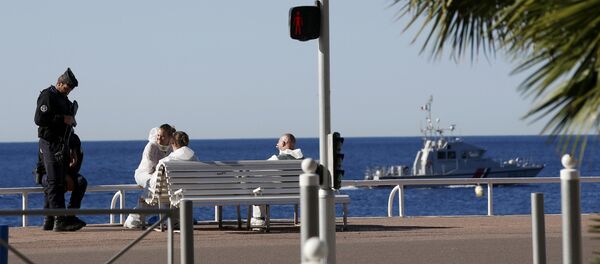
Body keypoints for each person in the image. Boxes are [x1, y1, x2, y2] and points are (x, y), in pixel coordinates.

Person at [34, 68, 86, 231]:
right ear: (59, 83)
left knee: (65, 181)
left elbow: (68, 129)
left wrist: (74, 146)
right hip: (49, 142)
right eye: (67, 87)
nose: (68, 90)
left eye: (70, 88)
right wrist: (63, 118)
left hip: (61, 144)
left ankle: (54, 219)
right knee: (55, 181)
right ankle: (59, 219)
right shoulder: (48, 96)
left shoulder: (64, 100)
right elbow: (39, 119)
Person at [124, 124, 176, 228]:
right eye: (158, 136)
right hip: (144, 174)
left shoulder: (171, 148)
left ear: (170, 138)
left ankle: (166, 217)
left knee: (164, 187)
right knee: (156, 184)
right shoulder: (152, 146)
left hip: (159, 176)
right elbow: (150, 168)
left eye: (163, 136)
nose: (159, 139)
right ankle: (135, 217)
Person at [35, 133, 88, 230]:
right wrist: (64, 176)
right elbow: (48, 166)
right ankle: (49, 218)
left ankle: (70, 216)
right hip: (47, 174)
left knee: (81, 182)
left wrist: (69, 173)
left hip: (66, 172)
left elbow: (77, 162)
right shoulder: (47, 140)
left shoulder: (74, 139)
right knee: (54, 182)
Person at [251, 133, 304, 228]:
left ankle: (259, 220)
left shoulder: (275, 159)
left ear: (283, 143)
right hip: (301, 193)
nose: (277, 143)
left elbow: (256, 174)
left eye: (278, 141)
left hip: (276, 193)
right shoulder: (303, 160)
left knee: (258, 188)